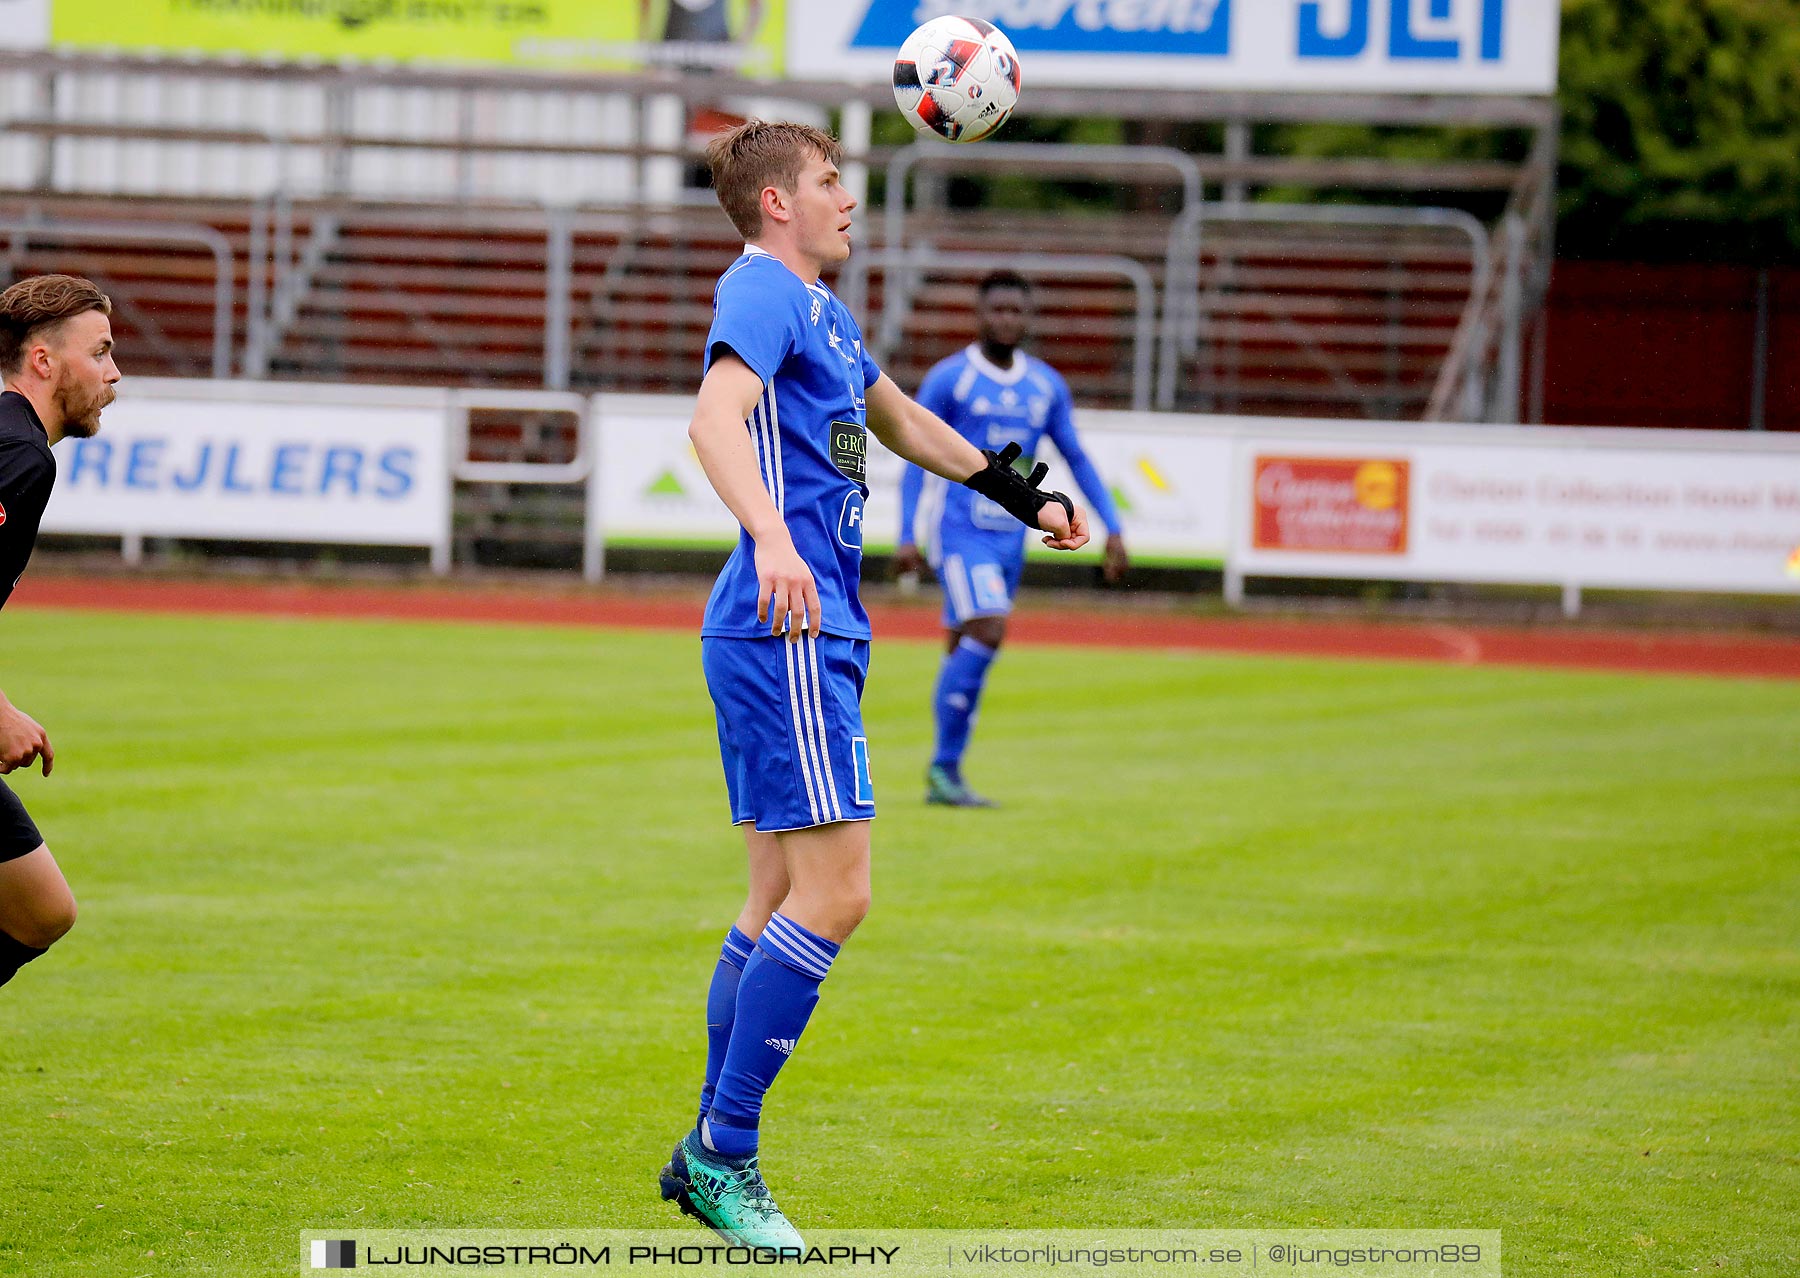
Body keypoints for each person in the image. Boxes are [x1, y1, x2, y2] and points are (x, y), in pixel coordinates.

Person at [660, 121, 1089, 1250]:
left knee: (770, 902)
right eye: (829, 182)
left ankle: (706, 1148)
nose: (849, 199)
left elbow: (901, 422)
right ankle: (723, 1153)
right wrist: (769, 535)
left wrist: (1021, 490)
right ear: (776, 206)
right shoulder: (761, 289)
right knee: (837, 894)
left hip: (798, 629)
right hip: (788, 625)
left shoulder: (824, 313)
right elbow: (713, 422)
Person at [894, 272, 1128, 807]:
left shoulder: (1045, 386)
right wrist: (907, 533)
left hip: (1011, 540)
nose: (1006, 320)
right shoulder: (950, 380)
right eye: (996, 310)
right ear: (980, 314)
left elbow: (1076, 457)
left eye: (1015, 311)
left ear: (1027, 318)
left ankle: (943, 776)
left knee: (965, 642)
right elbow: (914, 453)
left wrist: (1112, 525)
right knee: (990, 627)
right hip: (960, 534)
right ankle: (943, 768)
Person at [0, 274, 120, 991]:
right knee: (40, 908)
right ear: (44, 361)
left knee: (39, 908)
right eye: (100, 352)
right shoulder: (19, 454)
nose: (113, 374)